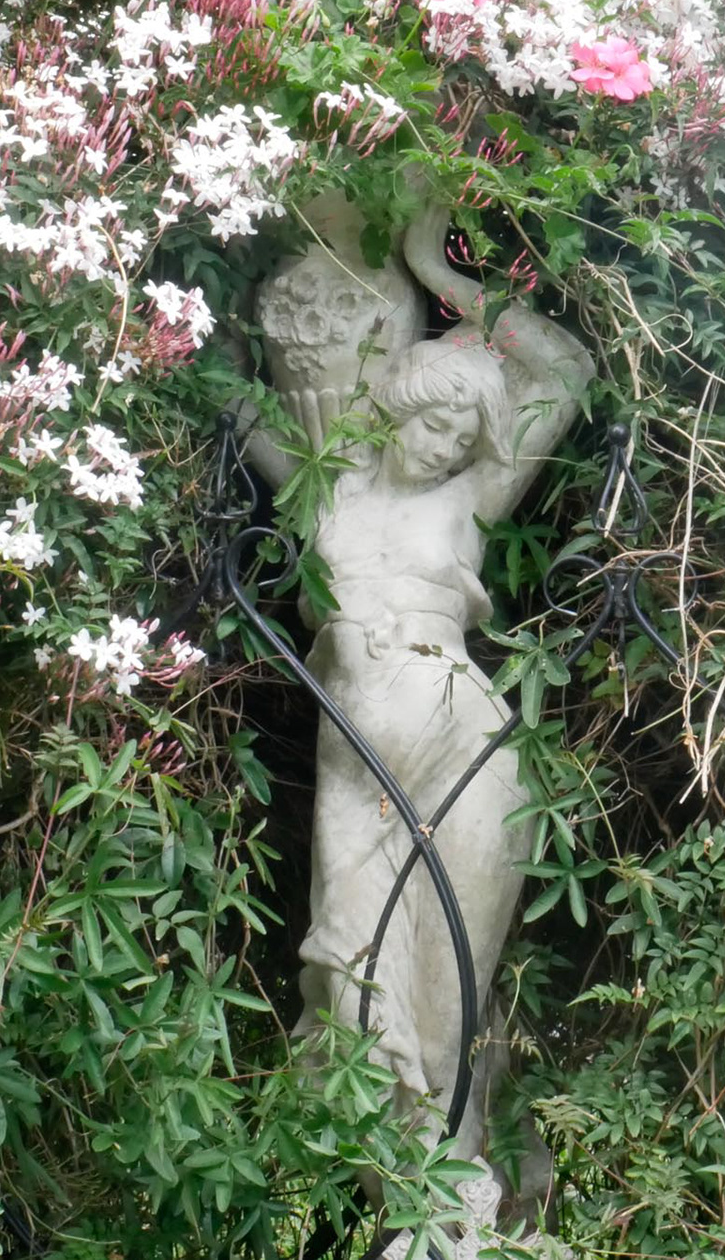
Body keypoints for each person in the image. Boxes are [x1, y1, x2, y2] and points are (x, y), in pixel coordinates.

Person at [246, 198, 594, 1172]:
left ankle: (456, 1182)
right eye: (435, 420)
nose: (444, 445)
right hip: (361, 758)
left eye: (463, 433)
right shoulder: (325, 488)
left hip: (463, 741)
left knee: (454, 980)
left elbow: (566, 371)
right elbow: (227, 394)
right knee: (352, 975)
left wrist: (437, 272)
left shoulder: (468, 501)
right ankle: (402, 1187)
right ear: (398, 405)